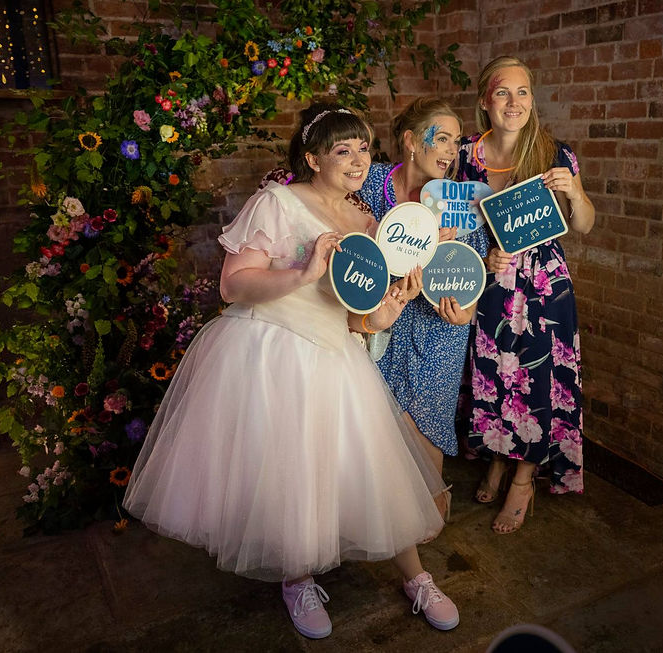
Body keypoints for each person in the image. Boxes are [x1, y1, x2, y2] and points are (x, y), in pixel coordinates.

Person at [124, 103, 460, 639]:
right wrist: (304, 273)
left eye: (363, 148)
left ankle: (416, 577)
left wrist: (388, 310)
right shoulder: (277, 203)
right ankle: (296, 578)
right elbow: (233, 285)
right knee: (288, 474)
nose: (358, 160)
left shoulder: (366, 223)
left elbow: (356, 317)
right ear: (313, 158)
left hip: (336, 355)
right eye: (343, 150)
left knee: (371, 469)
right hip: (272, 351)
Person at [457, 56, 596, 534]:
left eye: (522, 92)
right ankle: (497, 457)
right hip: (489, 279)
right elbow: (448, 224)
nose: (513, 102)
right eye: (502, 92)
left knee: (536, 381)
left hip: (543, 287)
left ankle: (523, 480)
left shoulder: (555, 153)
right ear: (485, 100)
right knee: (494, 374)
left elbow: (584, 224)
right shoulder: (464, 155)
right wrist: (480, 257)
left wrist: (574, 193)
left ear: (532, 100)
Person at [358, 97, 490, 521]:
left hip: (439, 324)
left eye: (457, 141)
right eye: (443, 138)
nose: (452, 150)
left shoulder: (458, 200)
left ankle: (432, 496)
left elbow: (472, 271)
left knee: (429, 414)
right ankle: (386, 509)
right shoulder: (369, 183)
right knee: (377, 413)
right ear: (412, 141)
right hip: (382, 317)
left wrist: (465, 312)